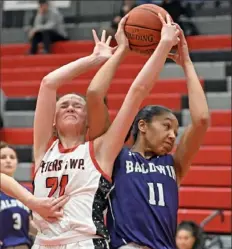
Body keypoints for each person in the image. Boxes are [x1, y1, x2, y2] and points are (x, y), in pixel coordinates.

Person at [31, 12, 179, 249]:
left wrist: (162, 45)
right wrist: (94, 59)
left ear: (89, 121)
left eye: (77, 105)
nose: (70, 106)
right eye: (63, 105)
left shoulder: (100, 150)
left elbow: (137, 91)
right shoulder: (42, 150)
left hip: (83, 242)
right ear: (52, 121)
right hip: (42, 243)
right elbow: (49, 83)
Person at [87, 14, 209, 249]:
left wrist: (187, 64)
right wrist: (122, 50)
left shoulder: (173, 164)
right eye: (166, 126)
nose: (173, 135)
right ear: (142, 126)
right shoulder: (115, 157)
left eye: (175, 130)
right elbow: (94, 95)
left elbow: (201, 119)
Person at [0, 142, 68, 249]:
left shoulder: (26, 192)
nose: (8, 160)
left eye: (12, 157)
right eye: (3, 157)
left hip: (23, 245)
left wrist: (50, 234)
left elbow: (29, 225)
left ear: (17, 162)